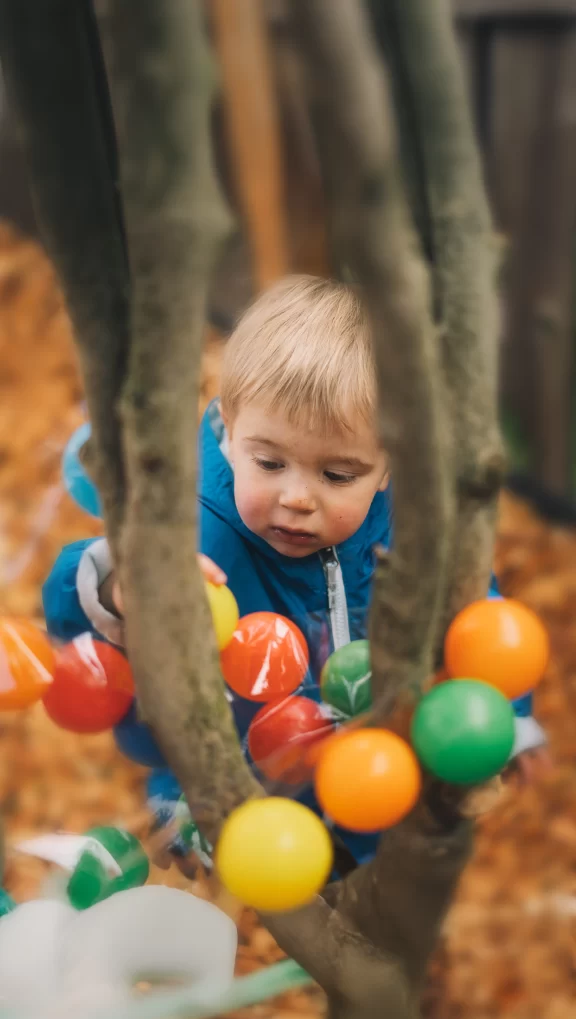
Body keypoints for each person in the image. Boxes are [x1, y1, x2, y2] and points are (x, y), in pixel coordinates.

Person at [43, 275, 546, 866]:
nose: (297, 498)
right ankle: (187, 815)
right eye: (269, 462)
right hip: (229, 764)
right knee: (208, 831)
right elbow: (68, 606)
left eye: (337, 475)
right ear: (228, 432)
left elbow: (477, 624)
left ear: (390, 467)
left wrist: (506, 720)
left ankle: (354, 858)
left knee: (368, 840)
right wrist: (119, 581)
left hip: (362, 758)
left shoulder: (419, 531)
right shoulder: (187, 524)